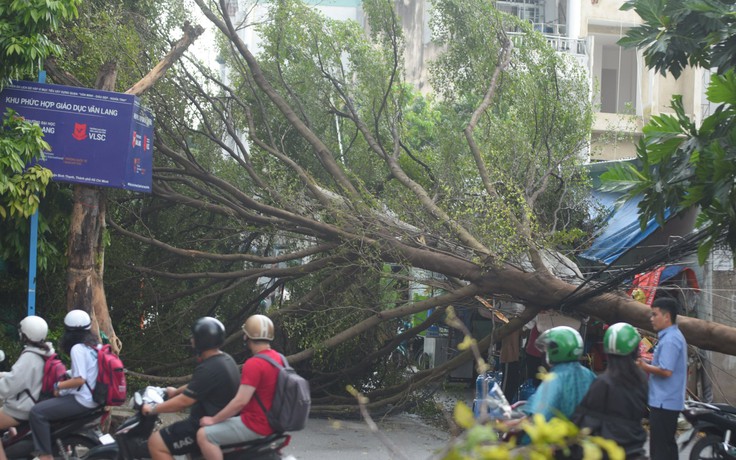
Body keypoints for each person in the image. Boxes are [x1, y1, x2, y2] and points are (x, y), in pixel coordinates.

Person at [142, 317, 239, 460]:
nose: (191, 340)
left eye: (194, 336)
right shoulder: (225, 360)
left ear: (201, 341)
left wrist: (153, 409)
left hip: (202, 425)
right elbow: (198, 385)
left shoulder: (209, 368)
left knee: (156, 443)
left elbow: (184, 402)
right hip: (220, 422)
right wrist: (175, 391)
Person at [196, 314, 282, 460]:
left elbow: (240, 402)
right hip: (274, 422)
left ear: (246, 336)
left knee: (203, 435)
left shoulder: (254, 363)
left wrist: (213, 420)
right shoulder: (279, 358)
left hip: (256, 424)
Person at [30, 310, 100, 460]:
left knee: (36, 412)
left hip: (83, 400)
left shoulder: (78, 349)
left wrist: (58, 386)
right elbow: (88, 373)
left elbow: (80, 379)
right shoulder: (95, 347)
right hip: (94, 398)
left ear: (68, 331)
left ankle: (45, 455)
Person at [573, 323, 648, 459]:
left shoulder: (603, 383)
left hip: (608, 453)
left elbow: (583, 421)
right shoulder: (641, 379)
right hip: (635, 451)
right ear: (635, 350)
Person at [637, 297, 687, 460]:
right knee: (667, 446)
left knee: (660, 450)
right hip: (665, 401)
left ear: (666, 316)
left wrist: (644, 367)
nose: (651, 318)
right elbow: (663, 364)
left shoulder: (671, 339)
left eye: (655, 314)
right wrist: (648, 362)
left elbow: (666, 371)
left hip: (665, 402)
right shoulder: (670, 336)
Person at [0, 316, 55, 460]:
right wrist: (4, 375)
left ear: (25, 334)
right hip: (33, 403)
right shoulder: (44, 352)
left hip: (21, 408)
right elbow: (25, 376)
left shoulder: (29, 356)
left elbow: (10, 385)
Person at [521, 325, 595, 421]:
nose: (544, 354)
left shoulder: (554, 379)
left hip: (557, 433)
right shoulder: (589, 375)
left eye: (547, 350)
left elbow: (538, 416)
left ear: (555, 351)